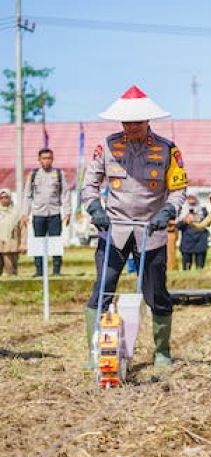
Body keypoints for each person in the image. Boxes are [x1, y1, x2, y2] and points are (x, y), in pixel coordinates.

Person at [82, 85, 188, 368]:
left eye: (136, 123)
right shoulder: (107, 146)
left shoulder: (168, 149)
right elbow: (89, 186)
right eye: (126, 122)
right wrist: (95, 208)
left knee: (157, 293)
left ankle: (162, 351)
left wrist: (167, 210)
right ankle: (95, 354)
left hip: (150, 231)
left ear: (147, 121)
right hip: (113, 228)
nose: (130, 128)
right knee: (103, 287)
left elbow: (178, 190)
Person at [21, 148, 71, 276]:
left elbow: (65, 194)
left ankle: (56, 270)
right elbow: (27, 195)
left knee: (55, 242)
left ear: (52, 159)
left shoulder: (59, 174)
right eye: (44, 158)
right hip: (38, 214)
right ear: (39, 160)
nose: (46, 161)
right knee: (38, 243)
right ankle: (39, 271)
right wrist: (25, 214)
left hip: (54, 214)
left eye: (49, 158)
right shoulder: (33, 175)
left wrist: (67, 212)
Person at [177, 193, 209, 270]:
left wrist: (197, 219)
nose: (191, 200)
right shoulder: (182, 210)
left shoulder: (203, 210)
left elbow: (207, 223)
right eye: (189, 198)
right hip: (187, 239)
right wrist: (185, 220)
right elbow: (178, 226)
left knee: (200, 266)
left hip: (200, 239)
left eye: (193, 198)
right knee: (186, 265)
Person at [0, 188, 26, 275]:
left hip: (11, 246)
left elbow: (23, 229)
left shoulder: (17, 212)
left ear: (10, 198)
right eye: (1, 197)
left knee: (10, 272)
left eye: (6, 197)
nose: (4, 199)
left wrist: (23, 244)